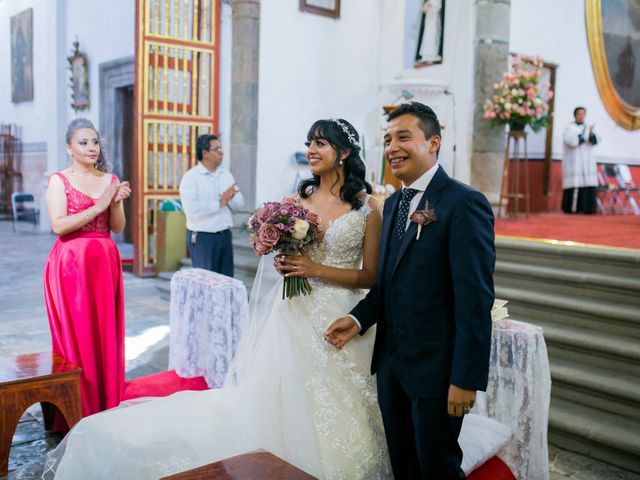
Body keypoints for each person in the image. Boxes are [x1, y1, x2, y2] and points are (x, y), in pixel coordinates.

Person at [45, 119, 393, 479]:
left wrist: (313, 268)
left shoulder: (368, 209)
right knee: (281, 397)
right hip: (296, 311)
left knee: (343, 401)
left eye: (321, 144)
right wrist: (286, 257)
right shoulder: (296, 201)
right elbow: (284, 258)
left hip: (343, 312)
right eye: (309, 143)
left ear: (345, 153)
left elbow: (369, 276)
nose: (312, 151)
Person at [325, 102, 496, 479]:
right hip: (392, 366)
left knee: (437, 468)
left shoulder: (463, 203)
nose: (392, 148)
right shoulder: (394, 204)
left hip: (437, 370)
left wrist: (465, 378)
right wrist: (358, 319)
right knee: (402, 466)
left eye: (404, 137)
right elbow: (389, 284)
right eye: (387, 140)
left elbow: (475, 300)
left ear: (433, 142)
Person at [44, 118, 131, 428]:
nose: (92, 147)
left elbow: (117, 228)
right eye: (83, 142)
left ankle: (106, 402)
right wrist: (99, 206)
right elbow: (59, 226)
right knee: (77, 334)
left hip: (104, 261)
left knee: (104, 332)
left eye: (95, 142)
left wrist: (116, 203)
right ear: (69, 148)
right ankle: (78, 407)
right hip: (70, 265)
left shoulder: (110, 179)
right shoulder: (58, 180)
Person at [179, 134, 244, 276]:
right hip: (203, 237)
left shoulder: (226, 175)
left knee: (227, 282)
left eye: (221, 148)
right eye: (217, 149)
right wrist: (220, 202)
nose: (221, 152)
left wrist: (230, 199)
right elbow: (191, 209)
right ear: (205, 153)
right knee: (207, 283)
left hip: (224, 235)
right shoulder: (191, 178)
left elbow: (240, 204)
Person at [561, 107, 600, 214]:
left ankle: (588, 209)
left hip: (587, 162)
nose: (581, 116)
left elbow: (595, 141)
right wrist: (583, 133)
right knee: (574, 183)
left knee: (588, 183)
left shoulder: (588, 127)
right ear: (575, 115)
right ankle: (572, 209)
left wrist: (590, 133)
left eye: (583, 114)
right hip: (575, 162)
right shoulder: (569, 127)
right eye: (579, 114)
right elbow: (572, 141)